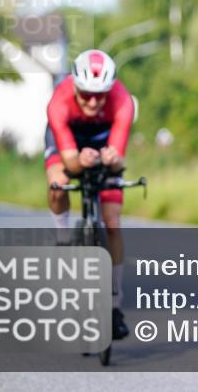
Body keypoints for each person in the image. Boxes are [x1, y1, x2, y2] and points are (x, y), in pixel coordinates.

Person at [44, 49, 135, 340]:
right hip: (68, 142)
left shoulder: (123, 101)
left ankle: (115, 306)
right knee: (58, 184)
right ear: (74, 85)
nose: (94, 101)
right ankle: (62, 236)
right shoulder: (59, 102)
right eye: (86, 94)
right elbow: (70, 162)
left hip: (103, 139)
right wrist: (78, 162)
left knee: (112, 222)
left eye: (101, 95)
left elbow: (120, 159)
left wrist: (112, 160)